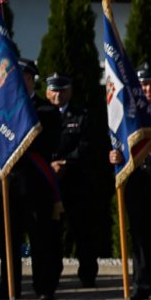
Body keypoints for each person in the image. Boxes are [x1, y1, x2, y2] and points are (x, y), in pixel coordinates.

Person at [0, 60, 63, 300]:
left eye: (22, 78)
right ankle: (9, 286)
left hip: (35, 184)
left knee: (39, 237)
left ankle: (43, 286)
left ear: (31, 80)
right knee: (8, 239)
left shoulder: (46, 111)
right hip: (8, 184)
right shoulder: (1, 110)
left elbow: (50, 144)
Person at [111, 64, 151, 300]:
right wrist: (115, 156)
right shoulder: (129, 116)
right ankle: (142, 284)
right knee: (139, 236)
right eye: (143, 84)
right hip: (137, 183)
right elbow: (121, 145)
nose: (147, 89)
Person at [47, 74, 106, 288]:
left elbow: (87, 145)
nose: (58, 95)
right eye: (54, 90)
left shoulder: (82, 116)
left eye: (62, 90)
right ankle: (51, 276)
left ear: (70, 92)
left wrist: (64, 163)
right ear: (47, 92)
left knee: (83, 232)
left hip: (76, 183)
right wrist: (50, 164)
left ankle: (88, 275)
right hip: (49, 183)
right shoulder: (39, 114)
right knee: (51, 233)